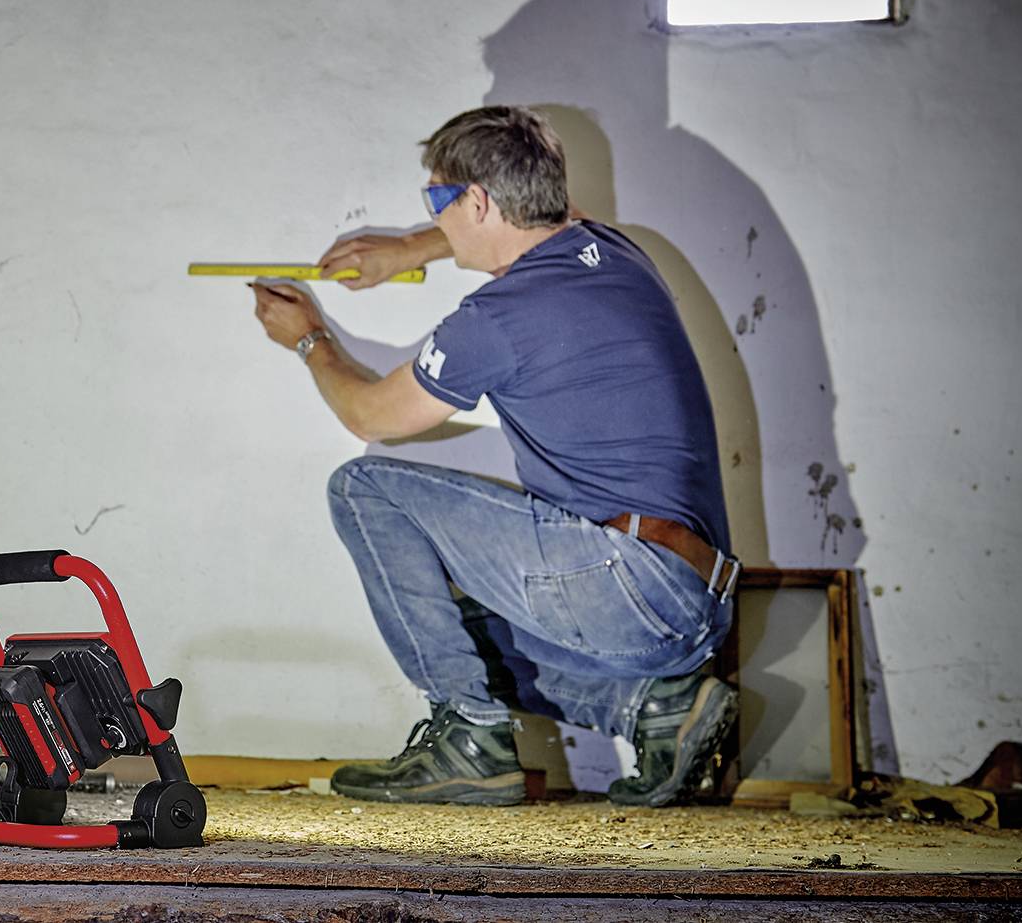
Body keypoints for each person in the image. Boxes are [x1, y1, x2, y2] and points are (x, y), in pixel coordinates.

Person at [248, 106, 740, 808]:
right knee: (465, 633)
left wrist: (308, 338)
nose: (436, 219)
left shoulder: (497, 317)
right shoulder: (614, 249)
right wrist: (409, 249)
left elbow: (369, 415)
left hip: (628, 588)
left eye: (437, 201)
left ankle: (471, 741)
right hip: (693, 599)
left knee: (362, 489)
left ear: (477, 202)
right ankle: (657, 710)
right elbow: (551, 217)